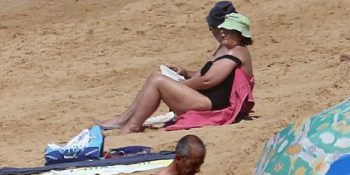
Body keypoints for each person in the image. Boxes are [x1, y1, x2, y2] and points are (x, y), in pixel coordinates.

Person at [99, 13, 252, 132]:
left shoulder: (234, 54)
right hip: (208, 99)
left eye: (228, 31)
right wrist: (185, 73)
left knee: (158, 81)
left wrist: (181, 84)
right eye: (221, 30)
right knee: (156, 76)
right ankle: (125, 119)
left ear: (239, 34)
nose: (222, 34)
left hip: (211, 105)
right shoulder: (233, 49)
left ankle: (132, 124)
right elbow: (208, 76)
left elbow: (207, 81)